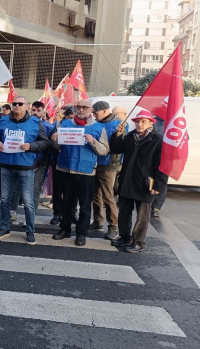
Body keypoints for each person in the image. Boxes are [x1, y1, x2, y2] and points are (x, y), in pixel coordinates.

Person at [51, 99, 109, 246]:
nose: (81, 110)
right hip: (66, 168)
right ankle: (64, 229)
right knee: (67, 203)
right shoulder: (64, 124)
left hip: (86, 171)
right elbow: (57, 147)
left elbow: (104, 150)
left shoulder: (98, 128)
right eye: (79, 107)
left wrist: (93, 142)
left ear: (90, 110)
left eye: (85, 107)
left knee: (84, 205)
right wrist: (55, 140)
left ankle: (81, 233)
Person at [0, 96, 49, 245]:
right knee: (5, 199)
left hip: (25, 167)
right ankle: (5, 227)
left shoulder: (36, 122)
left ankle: (30, 231)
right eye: (14, 103)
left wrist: (31, 146)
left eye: (20, 104)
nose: (17, 106)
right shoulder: (4, 120)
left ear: (26, 106)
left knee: (28, 201)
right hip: (6, 165)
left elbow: (44, 142)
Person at [109, 110, 167, 253]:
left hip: (145, 183)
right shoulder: (130, 136)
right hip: (127, 181)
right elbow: (116, 148)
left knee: (142, 216)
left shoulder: (157, 140)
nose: (140, 124)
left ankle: (138, 242)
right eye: (137, 121)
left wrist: (159, 184)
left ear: (150, 123)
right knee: (124, 212)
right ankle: (124, 237)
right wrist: (117, 135)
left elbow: (162, 164)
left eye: (143, 121)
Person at [90, 101, 123, 240]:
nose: (94, 115)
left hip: (110, 164)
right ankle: (98, 221)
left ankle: (113, 227)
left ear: (105, 111)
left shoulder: (119, 124)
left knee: (108, 196)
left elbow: (120, 144)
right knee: (95, 194)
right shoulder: (96, 124)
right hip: (95, 162)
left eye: (96, 113)